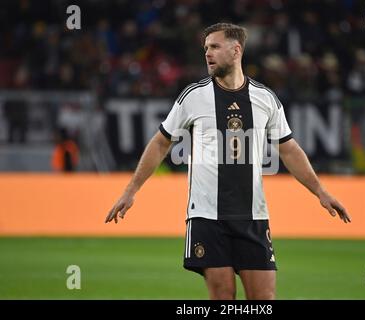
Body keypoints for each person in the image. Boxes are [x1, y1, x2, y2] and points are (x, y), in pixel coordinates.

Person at [105, 23, 351, 300]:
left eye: (214, 46)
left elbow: (289, 149)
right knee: (223, 297)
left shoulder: (265, 99)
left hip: (253, 217)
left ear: (236, 51)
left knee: (264, 300)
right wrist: (131, 190)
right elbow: (161, 141)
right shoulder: (193, 96)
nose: (207, 53)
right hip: (207, 217)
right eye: (206, 48)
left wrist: (321, 192)